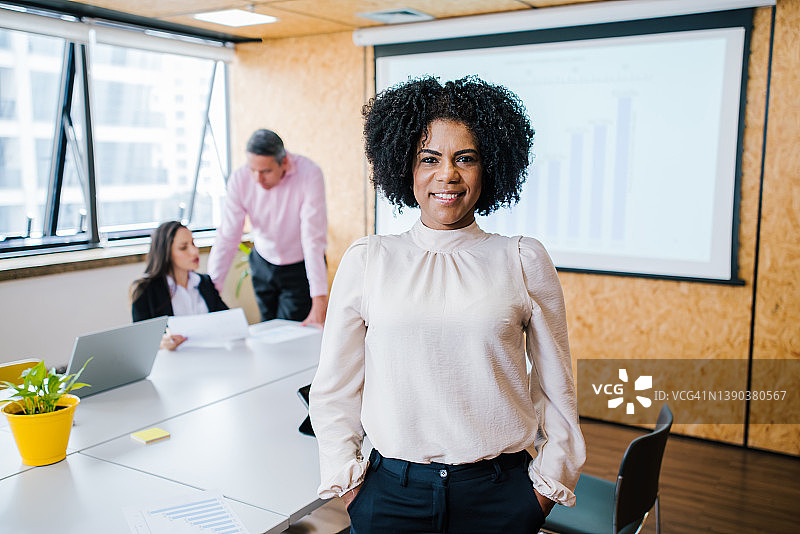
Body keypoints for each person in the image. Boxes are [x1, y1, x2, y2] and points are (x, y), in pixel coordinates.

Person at [309, 76, 586, 534]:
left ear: (489, 166)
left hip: (499, 494)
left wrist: (542, 492)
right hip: (390, 494)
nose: (448, 175)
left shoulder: (522, 259)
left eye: (465, 158)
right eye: (429, 159)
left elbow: (558, 389)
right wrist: (351, 487)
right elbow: (334, 389)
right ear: (405, 167)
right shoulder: (369, 260)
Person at [207, 129, 328, 327]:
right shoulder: (239, 180)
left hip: (298, 267)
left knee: (289, 332)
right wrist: (210, 290)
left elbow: (312, 238)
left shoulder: (309, 174)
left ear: (284, 162)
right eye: (253, 170)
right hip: (262, 262)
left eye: (266, 171)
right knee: (268, 328)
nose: (257, 179)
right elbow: (228, 236)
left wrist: (319, 299)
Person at [131, 221, 228, 350]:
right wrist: (161, 344)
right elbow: (140, 342)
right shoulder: (146, 290)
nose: (194, 251)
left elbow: (227, 320)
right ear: (166, 253)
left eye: (193, 243)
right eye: (183, 247)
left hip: (211, 354)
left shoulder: (205, 282)